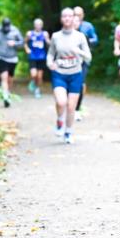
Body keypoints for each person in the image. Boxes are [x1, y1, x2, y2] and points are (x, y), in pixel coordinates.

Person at [47, 7, 92, 144]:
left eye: (70, 16)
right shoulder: (56, 36)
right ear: (61, 19)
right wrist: (50, 63)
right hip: (59, 73)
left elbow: (89, 58)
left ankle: (68, 132)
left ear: (74, 19)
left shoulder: (80, 36)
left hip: (75, 74)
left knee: (72, 106)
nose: (67, 18)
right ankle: (60, 119)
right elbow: (50, 54)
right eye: (64, 16)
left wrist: (78, 51)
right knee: (61, 102)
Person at [73, 6, 98, 120]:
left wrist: (88, 41)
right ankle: (70, 107)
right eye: (75, 14)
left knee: (81, 83)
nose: (77, 16)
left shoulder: (88, 26)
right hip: (69, 61)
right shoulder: (68, 28)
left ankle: (77, 108)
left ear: (83, 15)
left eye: (79, 14)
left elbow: (95, 39)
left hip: (83, 60)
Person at [0, 17, 24, 108]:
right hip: (0, 57)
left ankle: (8, 93)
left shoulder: (15, 30)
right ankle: (5, 97)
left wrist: (15, 43)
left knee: (10, 78)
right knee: (4, 77)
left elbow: (22, 43)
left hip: (12, 58)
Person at [24, 18, 50, 98]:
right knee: (33, 74)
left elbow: (49, 43)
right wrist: (27, 49)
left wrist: (48, 41)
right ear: (34, 25)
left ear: (42, 25)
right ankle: (33, 82)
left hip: (42, 57)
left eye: (40, 24)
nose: (38, 26)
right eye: (36, 24)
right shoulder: (30, 34)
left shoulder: (45, 34)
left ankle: (37, 89)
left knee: (39, 76)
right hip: (33, 56)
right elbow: (25, 42)